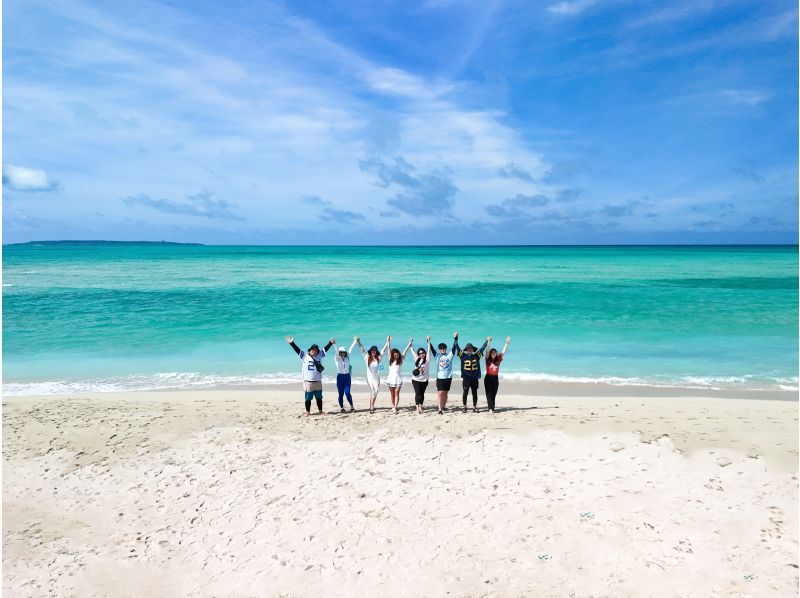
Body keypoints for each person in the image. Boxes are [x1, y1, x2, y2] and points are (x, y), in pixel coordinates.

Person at [285, 335, 334, 416]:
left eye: (315, 350)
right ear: (310, 350)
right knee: (308, 398)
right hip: (308, 382)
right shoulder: (304, 356)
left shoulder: (319, 355)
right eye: (313, 350)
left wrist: (330, 343)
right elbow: (297, 350)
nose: (314, 351)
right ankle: (308, 412)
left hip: (318, 381)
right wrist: (292, 343)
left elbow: (325, 349)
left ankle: (320, 411)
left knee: (319, 397)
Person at [356, 336, 390, 413]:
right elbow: (362, 349)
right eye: (372, 350)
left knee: (375, 392)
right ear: (370, 351)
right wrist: (358, 341)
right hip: (369, 378)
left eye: (374, 350)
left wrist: (387, 342)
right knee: (373, 391)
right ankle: (371, 407)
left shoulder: (379, 358)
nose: (373, 351)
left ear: (376, 351)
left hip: (376, 378)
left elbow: (383, 350)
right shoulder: (367, 357)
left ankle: (372, 405)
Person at [458, 336, 490, 413]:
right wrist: (455, 338)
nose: (470, 350)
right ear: (466, 350)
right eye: (468, 349)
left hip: (474, 379)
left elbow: (482, 348)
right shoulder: (463, 356)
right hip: (466, 378)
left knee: (474, 393)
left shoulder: (476, 356)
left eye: (471, 348)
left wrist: (487, 341)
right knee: (465, 392)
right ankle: (465, 407)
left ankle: (474, 407)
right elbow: (457, 347)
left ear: (472, 349)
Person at [433, 332, 459, 414]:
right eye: (441, 349)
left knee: (445, 393)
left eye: (444, 348)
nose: (442, 349)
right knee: (440, 393)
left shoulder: (449, 355)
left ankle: (443, 407)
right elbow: (432, 349)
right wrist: (428, 341)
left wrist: (455, 338)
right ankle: (440, 409)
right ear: (439, 350)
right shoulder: (437, 356)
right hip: (440, 377)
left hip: (448, 377)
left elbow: (454, 347)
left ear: (445, 349)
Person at [385, 336, 413, 413]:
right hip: (390, 378)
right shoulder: (390, 359)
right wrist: (388, 341)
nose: (396, 356)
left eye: (397, 355)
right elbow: (388, 349)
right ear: (393, 355)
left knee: (397, 393)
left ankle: (395, 407)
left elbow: (405, 351)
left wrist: (409, 344)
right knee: (392, 394)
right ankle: (393, 406)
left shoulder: (401, 360)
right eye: (394, 355)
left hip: (398, 378)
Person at [484, 336, 510, 413]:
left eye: (494, 353)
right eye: (492, 353)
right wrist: (488, 341)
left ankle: (492, 407)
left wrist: (506, 343)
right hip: (488, 378)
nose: (493, 354)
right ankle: (490, 409)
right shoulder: (487, 359)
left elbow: (503, 352)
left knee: (494, 393)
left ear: (496, 354)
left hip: (495, 378)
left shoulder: (498, 360)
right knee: (489, 393)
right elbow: (487, 351)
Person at [334, 339, 359, 413]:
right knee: (340, 394)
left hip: (347, 377)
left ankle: (352, 407)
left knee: (347, 393)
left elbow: (351, 349)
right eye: (341, 352)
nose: (342, 353)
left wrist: (355, 341)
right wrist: (334, 344)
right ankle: (341, 408)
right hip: (340, 377)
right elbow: (336, 351)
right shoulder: (337, 359)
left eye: (343, 352)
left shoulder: (347, 357)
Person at [410, 337, 433, 414]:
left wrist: (428, 341)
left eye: (423, 353)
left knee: (422, 394)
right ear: (418, 354)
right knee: (417, 393)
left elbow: (429, 350)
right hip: (415, 380)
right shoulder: (416, 358)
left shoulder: (427, 360)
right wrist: (410, 342)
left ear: (425, 353)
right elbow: (412, 350)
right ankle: (417, 408)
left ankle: (420, 406)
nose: (421, 354)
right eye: (420, 353)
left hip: (424, 380)